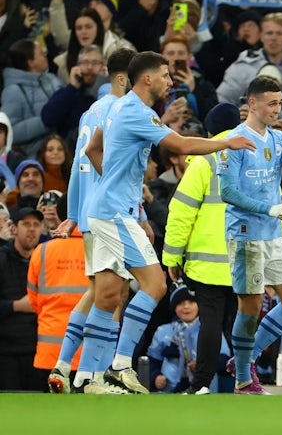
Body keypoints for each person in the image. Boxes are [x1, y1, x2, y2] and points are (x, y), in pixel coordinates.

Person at [76, 51, 254, 394]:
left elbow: (92, 149)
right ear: (147, 79)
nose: (169, 82)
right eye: (164, 75)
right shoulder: (137, 112)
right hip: (114, 214)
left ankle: (88, 377)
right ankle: (121, 365)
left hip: (106, 209)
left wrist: (113, 183)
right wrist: (226, 142)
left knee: (109, 292)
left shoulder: (114, 107)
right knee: (155, 285)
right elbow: (183, 144)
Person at [216, 75, 282, 395]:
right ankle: (244, 378)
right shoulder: (235, 141)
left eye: (280, 103)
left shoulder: (278, 139)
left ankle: (246, 357)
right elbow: (228, 192)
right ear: (252, 103)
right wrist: (268, 208)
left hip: (274, 234)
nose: (277, 109)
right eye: (272, 103)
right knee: (251, 304)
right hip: (246, 234)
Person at [47, 48, 136, 395]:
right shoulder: (120, 111)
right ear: (123, 77)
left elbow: (77, 166)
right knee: (112, 292)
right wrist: (137, 213)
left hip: (89, 212)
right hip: (110, 213)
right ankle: (92, 375)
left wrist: (73, 213)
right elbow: (112, 170)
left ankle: (66, 366)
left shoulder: (90, 113)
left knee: (101, 290)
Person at [162, 102, 241, 395]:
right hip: (246, 259)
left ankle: (203, 384)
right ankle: (247, 381)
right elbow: (276, 211)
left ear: (209, 131)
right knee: (242, 325)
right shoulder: (258, 159)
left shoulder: (204, 161)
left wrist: (171, 256)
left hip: (208, 264)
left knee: (210, 323)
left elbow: (181, 212)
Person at [26, 193, 90, 391]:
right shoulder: (98, 249)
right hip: (87, 353)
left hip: (50, 353)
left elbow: (33, 299)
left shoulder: (42, 251)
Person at [0, 207, 43, 391]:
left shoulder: (45, 260)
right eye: (26, 224)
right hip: (6, 352)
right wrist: (17, 306)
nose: (32, 229)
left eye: (36, 224)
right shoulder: (2, 259)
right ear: (14, 229)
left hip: (38, 350)